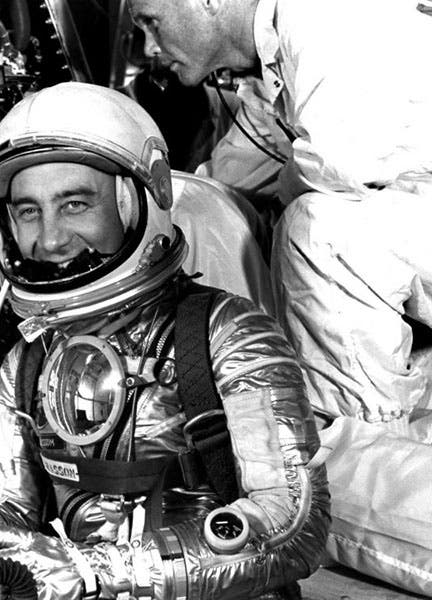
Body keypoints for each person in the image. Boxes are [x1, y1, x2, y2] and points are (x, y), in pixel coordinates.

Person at [0, 82, 329, 599]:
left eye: (75, 204)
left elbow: (291, 527)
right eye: (28, 211)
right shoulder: (27, 361)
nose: (51, 239)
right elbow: (9, 503)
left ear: (134, 201)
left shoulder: (229, 335)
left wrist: (96, 569)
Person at [126, 0, 432, 594]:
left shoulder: (325, 16)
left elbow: (342, 162)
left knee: (318, 230)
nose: (149, 48)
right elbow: (226, 177)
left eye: (150, 21)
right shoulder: (273, 63)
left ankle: (357, 461)